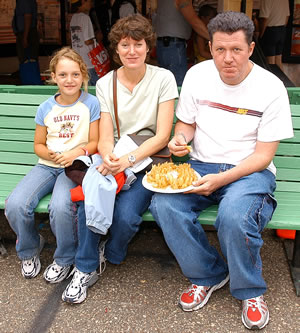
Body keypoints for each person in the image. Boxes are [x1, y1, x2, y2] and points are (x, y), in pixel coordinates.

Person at [149, 11, 293, 330]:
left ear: (251, 48)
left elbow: (264, 155)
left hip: (250, 170)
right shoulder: (198, 75)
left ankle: (250, 291)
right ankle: (208, 274)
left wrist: (223, 179)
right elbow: (186, 124)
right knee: (164, 205)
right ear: (210, 46)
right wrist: (180, 139)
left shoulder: (271, 87)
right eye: (220, 50)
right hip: (201, 164)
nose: (228, 58)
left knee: (234, 216)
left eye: (236, 50)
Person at [61, 14, 178, 304]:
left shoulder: (163, 78)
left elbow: (163, 136)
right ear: (116, 50)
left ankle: (111, 252)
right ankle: (85, 267)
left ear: (148, 47)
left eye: (138, 44)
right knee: (93, 197)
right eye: (125, 45)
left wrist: (127, 159)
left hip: (149, 159)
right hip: (116, 154)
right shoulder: (106, 82)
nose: (132, 51)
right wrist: (110, 156)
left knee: (125, 218)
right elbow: (105, 132)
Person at [5, 47, 100, 282]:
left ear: (83, 76)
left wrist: (74, 153)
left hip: (74, 167)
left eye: (75, 74)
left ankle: (65, 258)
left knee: (60, 207)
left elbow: (95, 141)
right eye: (63, 75)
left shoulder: (91, 103)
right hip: (47, 164)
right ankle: (29, 248)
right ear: (53, 77)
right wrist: (52, 154)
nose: (70, 80)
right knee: (16, 204)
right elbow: (38, 145)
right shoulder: (46, 107)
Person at [154, 0, 209, 86]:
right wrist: (215, 39)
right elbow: (194, 21)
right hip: (174, 47)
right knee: (177, 87)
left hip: (165, 45)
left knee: (167, 87)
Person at [70, 0, 102, 85]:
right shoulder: (85, 18)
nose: (91, 4)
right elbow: (88, 41)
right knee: (96, 88)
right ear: (83, 2)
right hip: (89, 60)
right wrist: (97, 39)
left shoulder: (73, 17)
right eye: (89, 1)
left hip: (78, 59)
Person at [259, 0, 290, 71]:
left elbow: (264, 18)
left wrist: (261, 34)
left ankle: (271, 81)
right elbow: (287, 16)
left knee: (270, 62)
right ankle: (283, 81)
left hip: (270, 31)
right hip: (282, 29)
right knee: (278, 60)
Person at [12, 0, 39, 64]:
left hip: (26, 32)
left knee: (26, 59)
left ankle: (28, 73)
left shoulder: (24, 1)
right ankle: (28, 72)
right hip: (26, 32)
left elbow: (28, 17)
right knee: (28, 59)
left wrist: (25, 37)